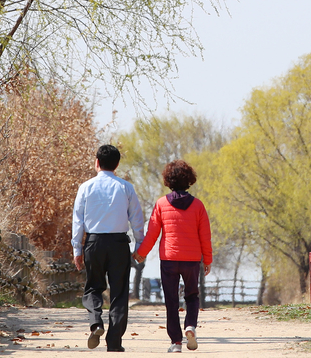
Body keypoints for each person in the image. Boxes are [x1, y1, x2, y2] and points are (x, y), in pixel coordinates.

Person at [133, 160, 212, 353]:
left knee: (171, 300)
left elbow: (152, 233)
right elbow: (205, 236)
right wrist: (207, 260)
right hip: (192, 259)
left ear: (168, 180)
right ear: (189, 180)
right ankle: (190, 326)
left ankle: (176, 342)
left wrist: (141, 253)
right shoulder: (198, 206)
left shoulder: (161, 204)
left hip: (169, 259)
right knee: (192, 296)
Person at [72, 144, 145, 352]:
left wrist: (77, 249)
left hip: (94, 242)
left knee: (93, 287)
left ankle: (96, 322)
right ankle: (114, 342)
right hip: (119, 244)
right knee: (119, 293)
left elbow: (77, 220)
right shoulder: (126, 187)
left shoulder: (85, 187)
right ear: (117, 165)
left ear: (97, 163)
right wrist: (140, 246)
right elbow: (137, 220)